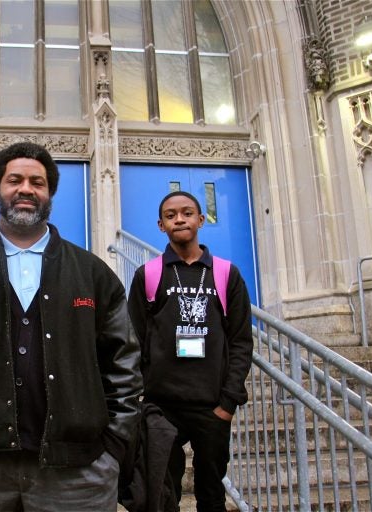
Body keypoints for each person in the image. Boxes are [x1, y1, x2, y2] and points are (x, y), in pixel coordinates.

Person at [0, 141, 142, 511]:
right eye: (14, 180)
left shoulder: (93, 274)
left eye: (38, 182)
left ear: (50, 193)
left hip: (77, 474)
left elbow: (124, 365)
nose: (26, 189)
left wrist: (113, 447)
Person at [127, 191, 253, 512]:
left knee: (211, 497)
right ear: (161, 225)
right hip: (161, 408)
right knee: (161, 495)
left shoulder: (226, 274)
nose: (179, 219)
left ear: (200, 219)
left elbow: (240, 342)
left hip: (212, 407)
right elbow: (134, 341)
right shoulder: (148, 276)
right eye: (171, 215)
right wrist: (141, 401)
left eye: (186, 213)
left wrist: (228, 402)